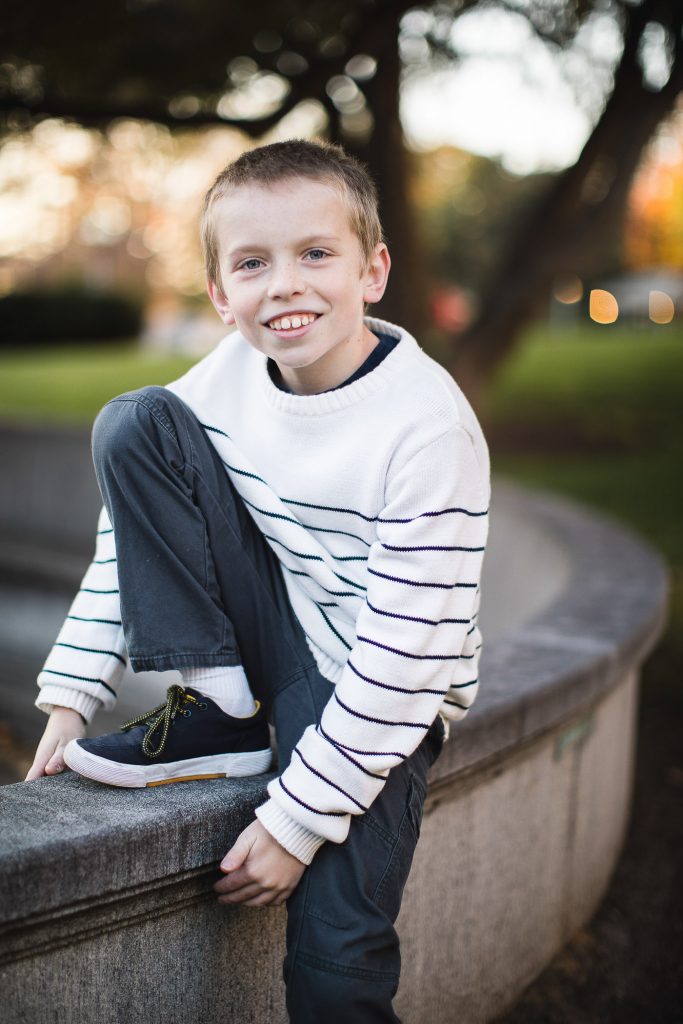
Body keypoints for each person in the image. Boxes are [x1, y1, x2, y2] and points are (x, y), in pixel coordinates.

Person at [25, 139, 490, 1022]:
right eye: (252, 263)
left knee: (333, 963)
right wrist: (70, 693)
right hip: (272, 631)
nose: (284, 284)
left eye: (316, 253)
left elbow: (403, 665)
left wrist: (293, 822)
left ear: (373, 270)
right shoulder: (227, 375)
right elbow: (125, 532)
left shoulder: (427, 430)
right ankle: (219, 705)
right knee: (135, 422)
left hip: (375, 688)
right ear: (219, 294)